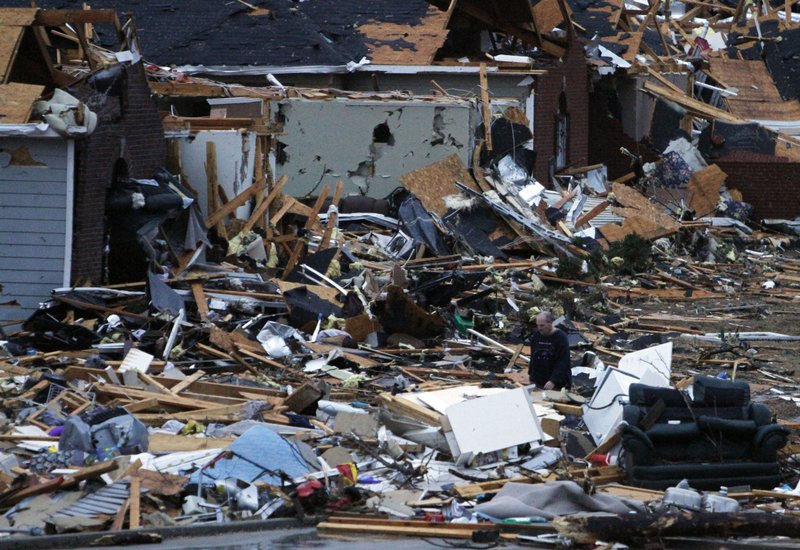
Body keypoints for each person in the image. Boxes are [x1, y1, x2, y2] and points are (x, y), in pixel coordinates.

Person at [528, 311, 571, 390]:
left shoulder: (560, 338)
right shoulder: (536, 336)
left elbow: (563, 362)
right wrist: (531, 377)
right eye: (538, 325)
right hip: (539, 382)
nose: (539, 328)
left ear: (550, 323)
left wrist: (553, 381)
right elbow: (533, 358)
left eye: (542, 325)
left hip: (557, 385)